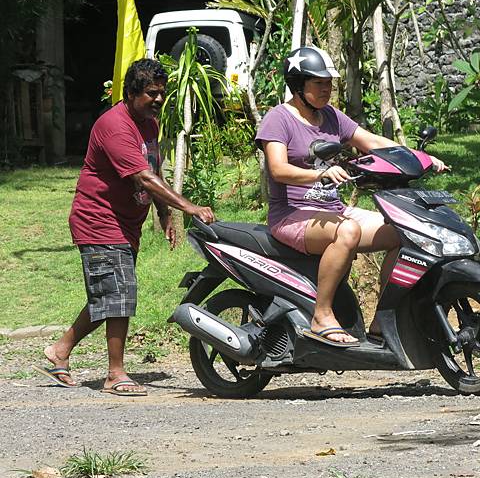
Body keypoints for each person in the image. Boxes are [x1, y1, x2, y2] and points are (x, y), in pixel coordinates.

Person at [34, 58, 215, 395]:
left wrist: (164, 213)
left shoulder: (149, 123)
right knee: (119, 294)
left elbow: (153, 170)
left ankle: (59, 351)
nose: (158, 99)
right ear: (131, 93)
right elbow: (142, 177)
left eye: (162, 93)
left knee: (111, 293)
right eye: (151, 93)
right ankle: (115, 374)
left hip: (125, 223)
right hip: (100, 220)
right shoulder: (114, 125)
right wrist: (188, 206)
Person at [256, 46, 447, 347]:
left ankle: (383, 322)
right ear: (298, 84)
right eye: (318, 83)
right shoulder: (278, 119)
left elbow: (369, 141)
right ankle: (321, 315)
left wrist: (418, 156)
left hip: (332, 210)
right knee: (348, 230)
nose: (326, 89)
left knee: (404, 232)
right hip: (291, 215)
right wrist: (318, 174)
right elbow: (278, 169)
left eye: (329, 83)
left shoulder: (330, 116)